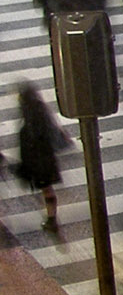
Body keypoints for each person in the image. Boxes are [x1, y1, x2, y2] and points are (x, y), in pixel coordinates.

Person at [16, 83, 64, 237]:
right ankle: (51, 217)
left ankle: (51, 219)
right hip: (46, 158)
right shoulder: (41, 112)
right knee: (47, 189)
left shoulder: (27, 122)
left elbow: (27, 146)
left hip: (36, 162)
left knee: (45, 190)